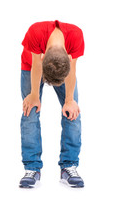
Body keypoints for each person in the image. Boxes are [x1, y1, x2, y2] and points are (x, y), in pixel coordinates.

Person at [19, 19, 85, 188]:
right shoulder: (35, 31)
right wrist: (34, 95)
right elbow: (35, 64)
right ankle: (32, 168)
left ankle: (68, 166)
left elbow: (72, 70)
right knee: (30, 111)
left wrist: (69, 101)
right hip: (31, 66)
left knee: (73, 112)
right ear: (43, 55)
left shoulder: (76, 35)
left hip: (62, 70)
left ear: (68, 58)